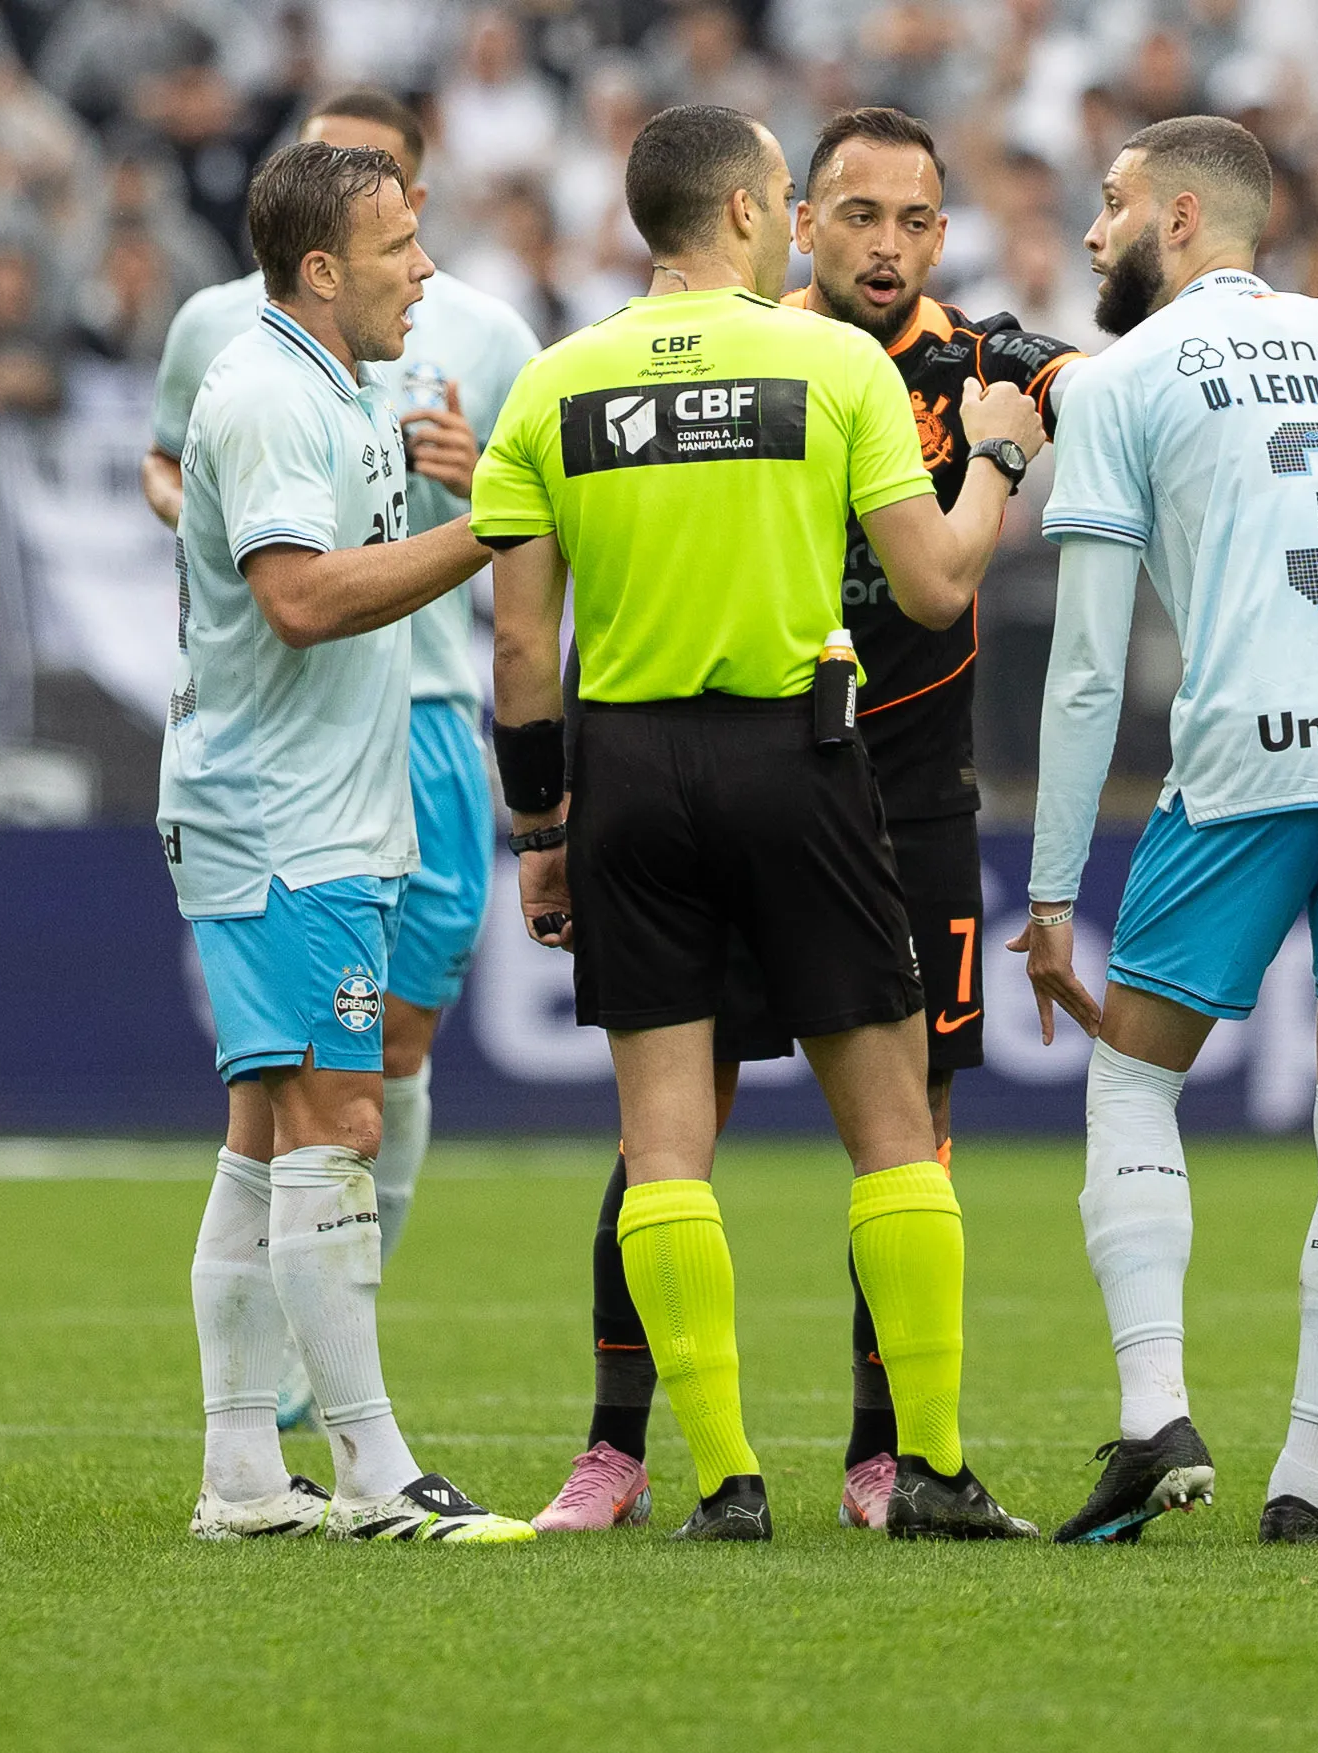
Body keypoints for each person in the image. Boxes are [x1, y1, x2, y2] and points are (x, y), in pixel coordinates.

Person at [475, 104, 1049, 1542]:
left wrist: (539, 828)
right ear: (750, 215)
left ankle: (723, 1482)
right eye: (803, 196)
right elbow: (929, 586)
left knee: (663, 1146)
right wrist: (991, 458)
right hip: (800, 758)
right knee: (895, 1129)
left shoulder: (553, 383)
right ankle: (926, 1466)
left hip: (627, 772)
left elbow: (520, 651)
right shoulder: (826, 362)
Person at [1011, 115, 1318, 1547]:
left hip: (1250, 755)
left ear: (1180, 214)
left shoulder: (1120, 377)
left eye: (1106, 208)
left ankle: (1156, 1413)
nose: (1089, 236)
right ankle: (1305, 1486)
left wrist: (1046, 894)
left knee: (1129, 1087)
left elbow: (1089, 665)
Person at [145, 89, 541, 1432]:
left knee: (271, 1140)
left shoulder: (341, 379)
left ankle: (247, 1471)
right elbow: (302, 601)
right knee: (339, 1127)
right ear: (321, 267)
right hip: (281, 807)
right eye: (398, 248)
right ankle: (371, 1466)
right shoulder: (259, 386)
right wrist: (495, 521)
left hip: (337, 786)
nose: (426, 271)